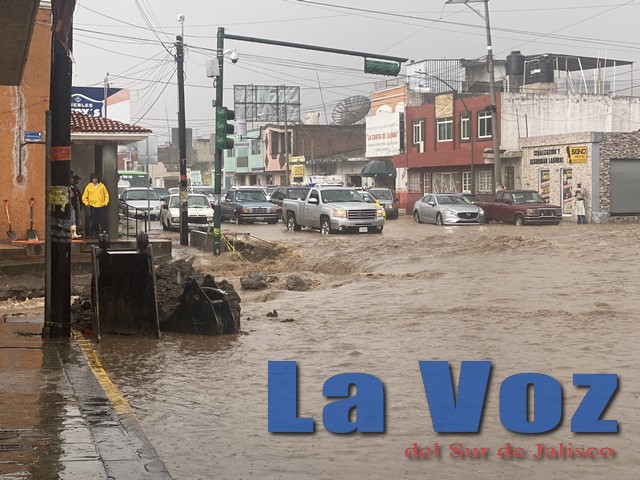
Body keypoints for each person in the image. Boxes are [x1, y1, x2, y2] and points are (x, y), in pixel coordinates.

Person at [82, 173, 109, 237]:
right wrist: (87, 203)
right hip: (93, 206)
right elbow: (84, 197)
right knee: (94, 220)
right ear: (91, 179)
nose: (95, 180)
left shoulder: (102, 186)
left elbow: (106, 195)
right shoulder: (88, 186)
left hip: (101, 206)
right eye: (93, 179)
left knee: (103, 220)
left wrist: (105, 203)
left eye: (96, 179)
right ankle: (95, 233)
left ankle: (104, 233)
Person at [69, 172, 82, 239]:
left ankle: (74, 232)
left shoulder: (74, 187)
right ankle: (71, 233)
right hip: (70, 204)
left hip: (74, 204)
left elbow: (78, 195)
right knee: (72, 218)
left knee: (74, 218)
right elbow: (71, 195)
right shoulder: (70, 186)